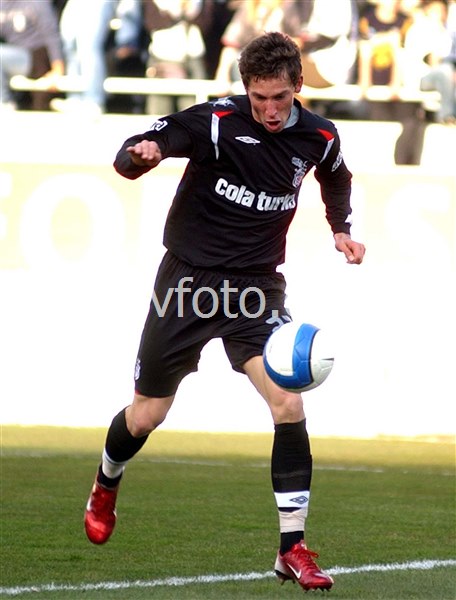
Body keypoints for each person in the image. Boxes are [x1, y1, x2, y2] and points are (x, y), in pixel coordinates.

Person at [84, 31, 365, 592]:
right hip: (187, 284)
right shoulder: (215, 121)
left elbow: (337, 175)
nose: (269, 109)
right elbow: (144, 145)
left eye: (279, 97)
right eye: (259, 98)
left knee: (288, 401)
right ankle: (106, 483)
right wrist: (140, 157)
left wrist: (341, 228)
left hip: (256, 292)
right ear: (245, 90)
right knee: (146, 416)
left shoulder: (319, 135)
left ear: (298, 86)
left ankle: (292, 548)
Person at [0, 0, 65, 111]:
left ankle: (4, 102)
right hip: (14, 54)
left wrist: (58, 69)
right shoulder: (2, 5)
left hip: (36, 56)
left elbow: (52, 35)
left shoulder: (36, 3)